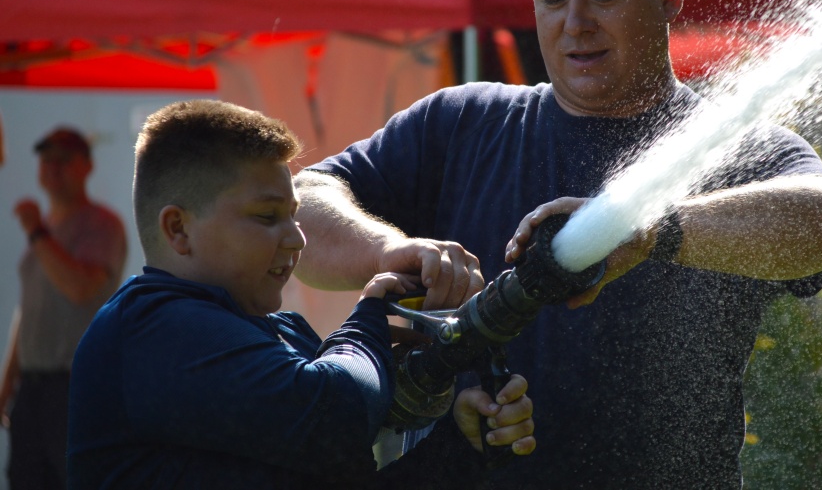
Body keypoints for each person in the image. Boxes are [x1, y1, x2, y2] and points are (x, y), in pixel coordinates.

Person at [291, 0, 822, 489]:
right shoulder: (462, 121)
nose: (576, 24)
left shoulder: (726, 146)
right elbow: (302, 210)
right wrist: (390, 252)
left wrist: (650, 230)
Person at [67, 99, 535, 490]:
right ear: (178, 228)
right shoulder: (150, 326)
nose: (296, 238)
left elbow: (347, 467)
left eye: (293, 216)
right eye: (267, 217)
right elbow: (337, 416)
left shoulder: (278, 333)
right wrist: (369, 317)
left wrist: (462, 446)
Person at [1, 127, 126, 490]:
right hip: (33, 387)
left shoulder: (100, 224)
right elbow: (28, 311)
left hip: (73, 383)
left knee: (75, 479)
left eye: (64, 159)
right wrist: (8, 384)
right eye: (47, 159)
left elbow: (79, 288)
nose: (53, 168)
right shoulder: (45, 231)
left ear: (86, 166)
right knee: (25, 479)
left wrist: (37, 233)